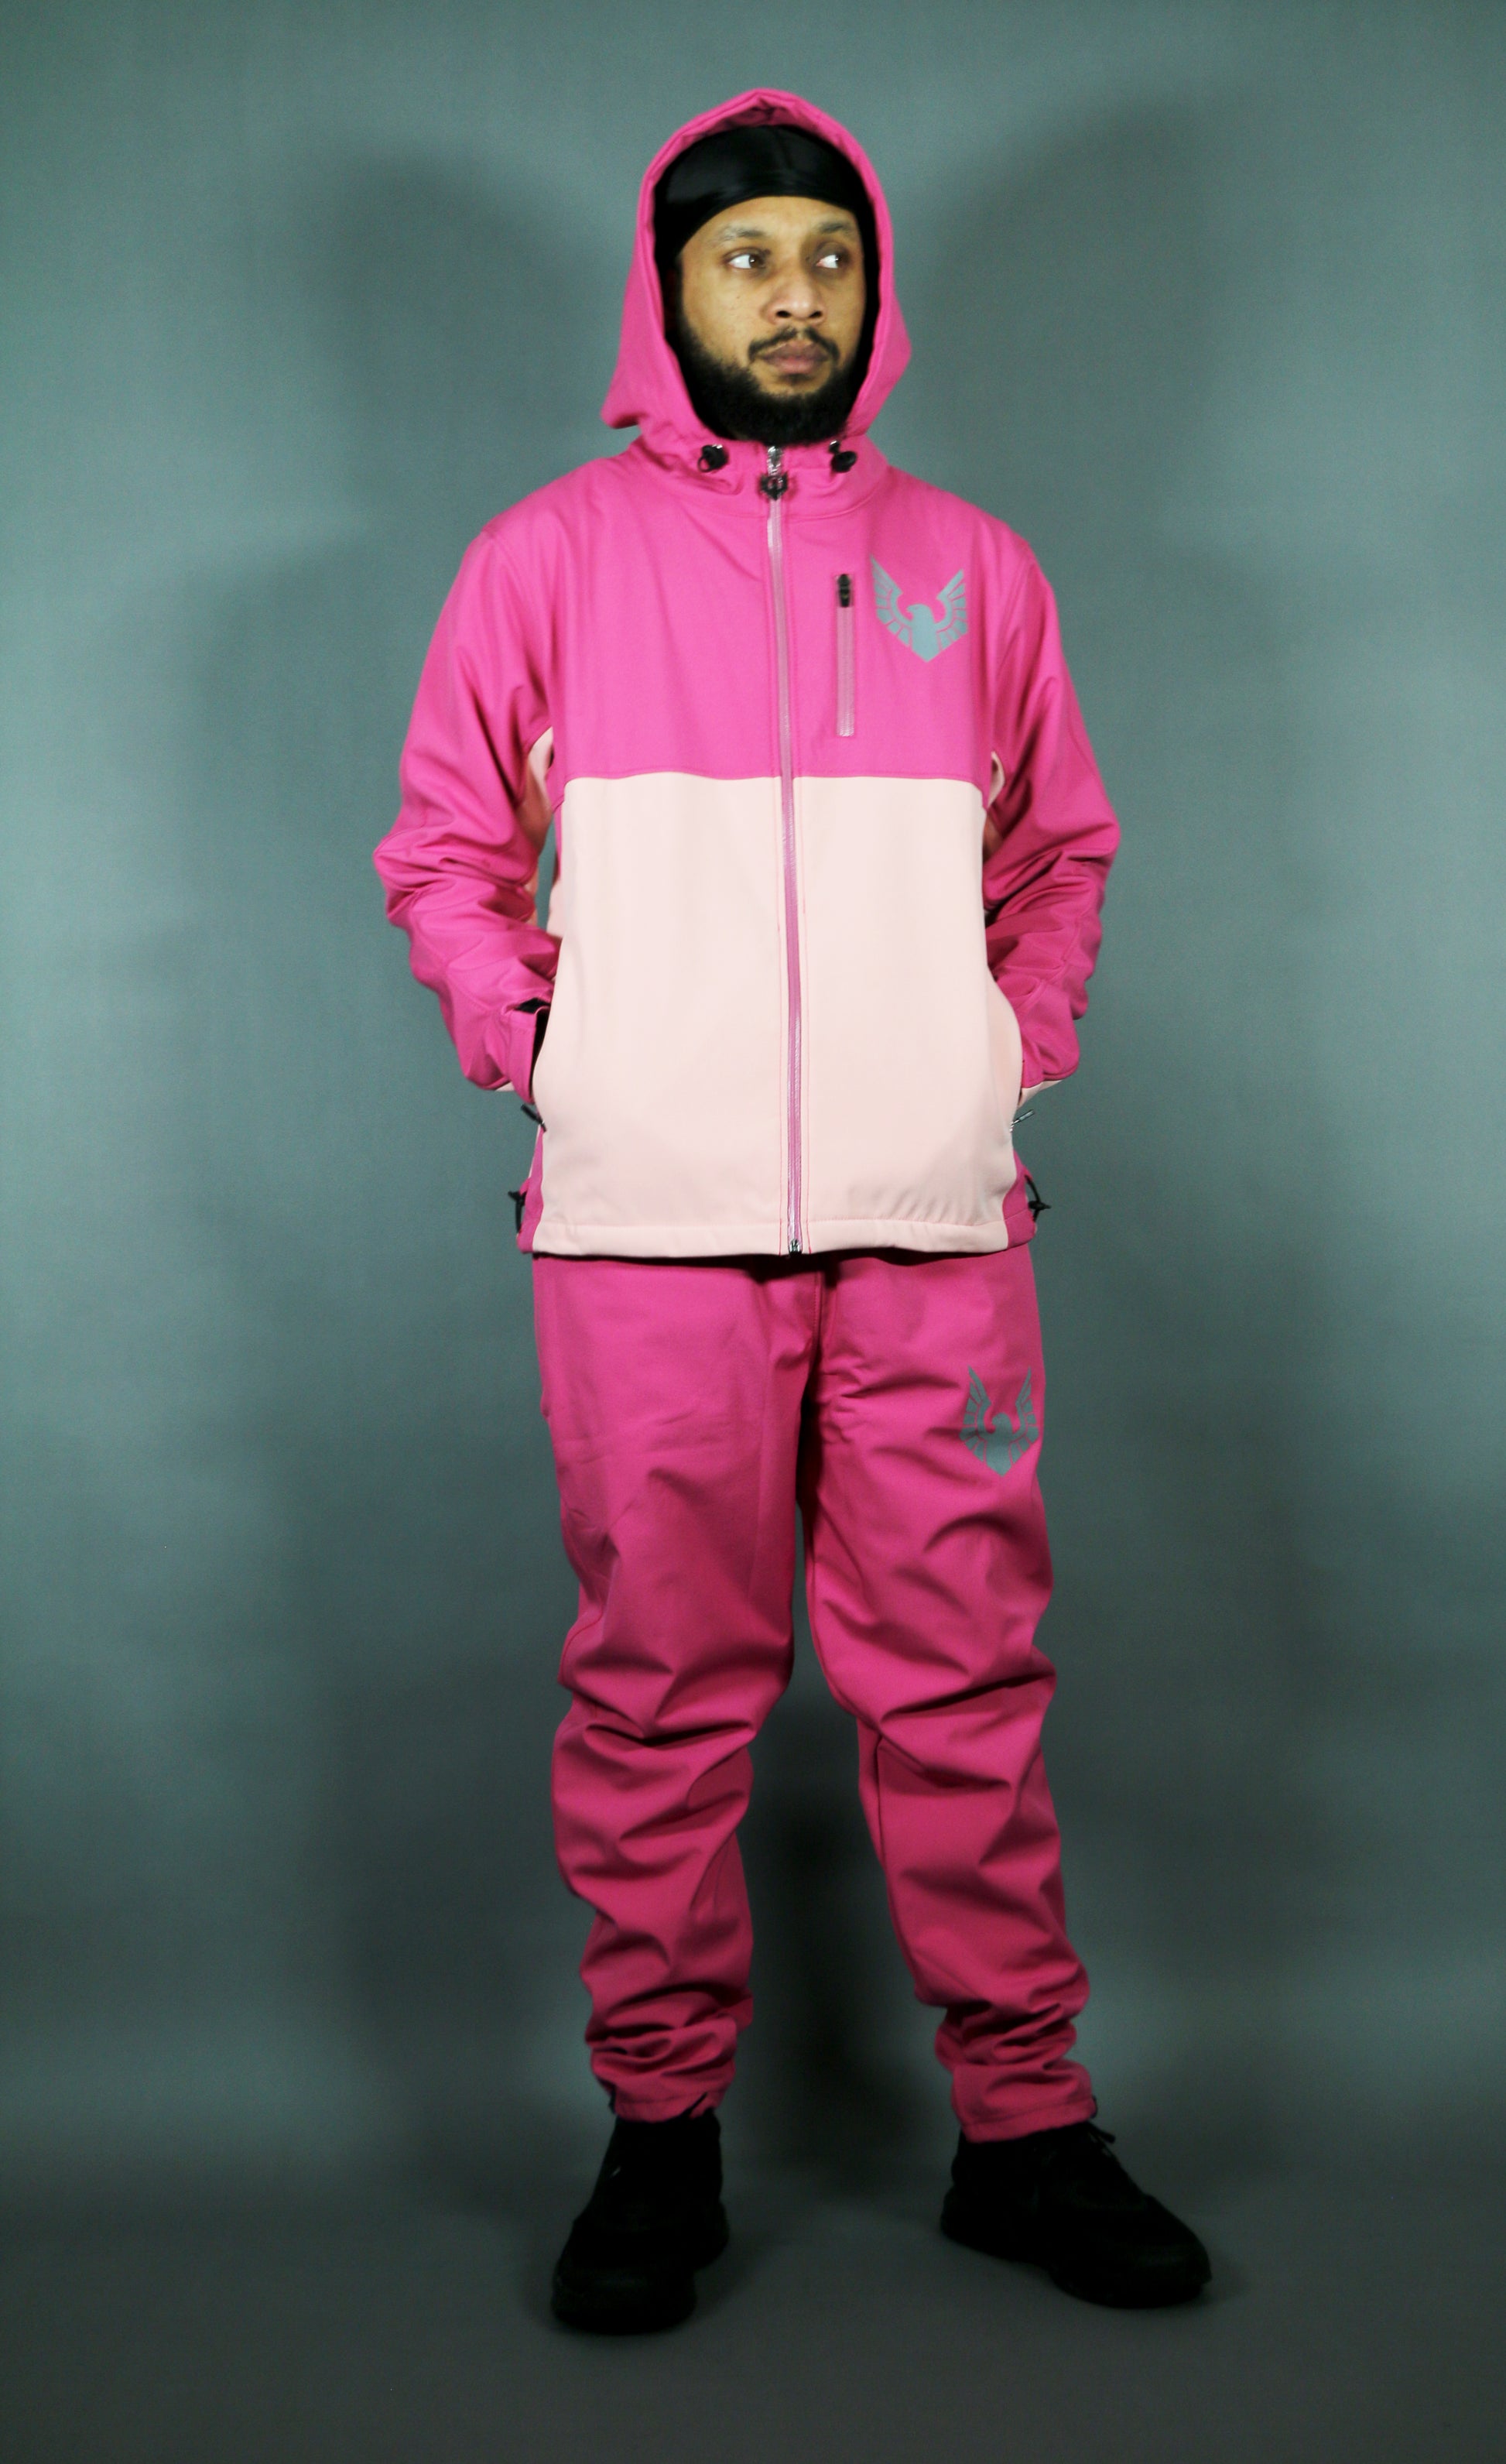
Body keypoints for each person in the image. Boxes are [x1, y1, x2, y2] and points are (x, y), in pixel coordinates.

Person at [375, 88, 1210, 2332]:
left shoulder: (978, 566)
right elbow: (444, 848)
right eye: (745, 256)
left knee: (967, 1683)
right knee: (659, 1691)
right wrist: (544, 1044)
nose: (793, 294)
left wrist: (1002, 1048)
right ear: (666, 293)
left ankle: (1024, 2136)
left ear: (875, 292)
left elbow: (1061, 853)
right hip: (642, 1232)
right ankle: (660, 2139)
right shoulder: (542, 559)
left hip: (936, 1231)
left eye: (828, 256)